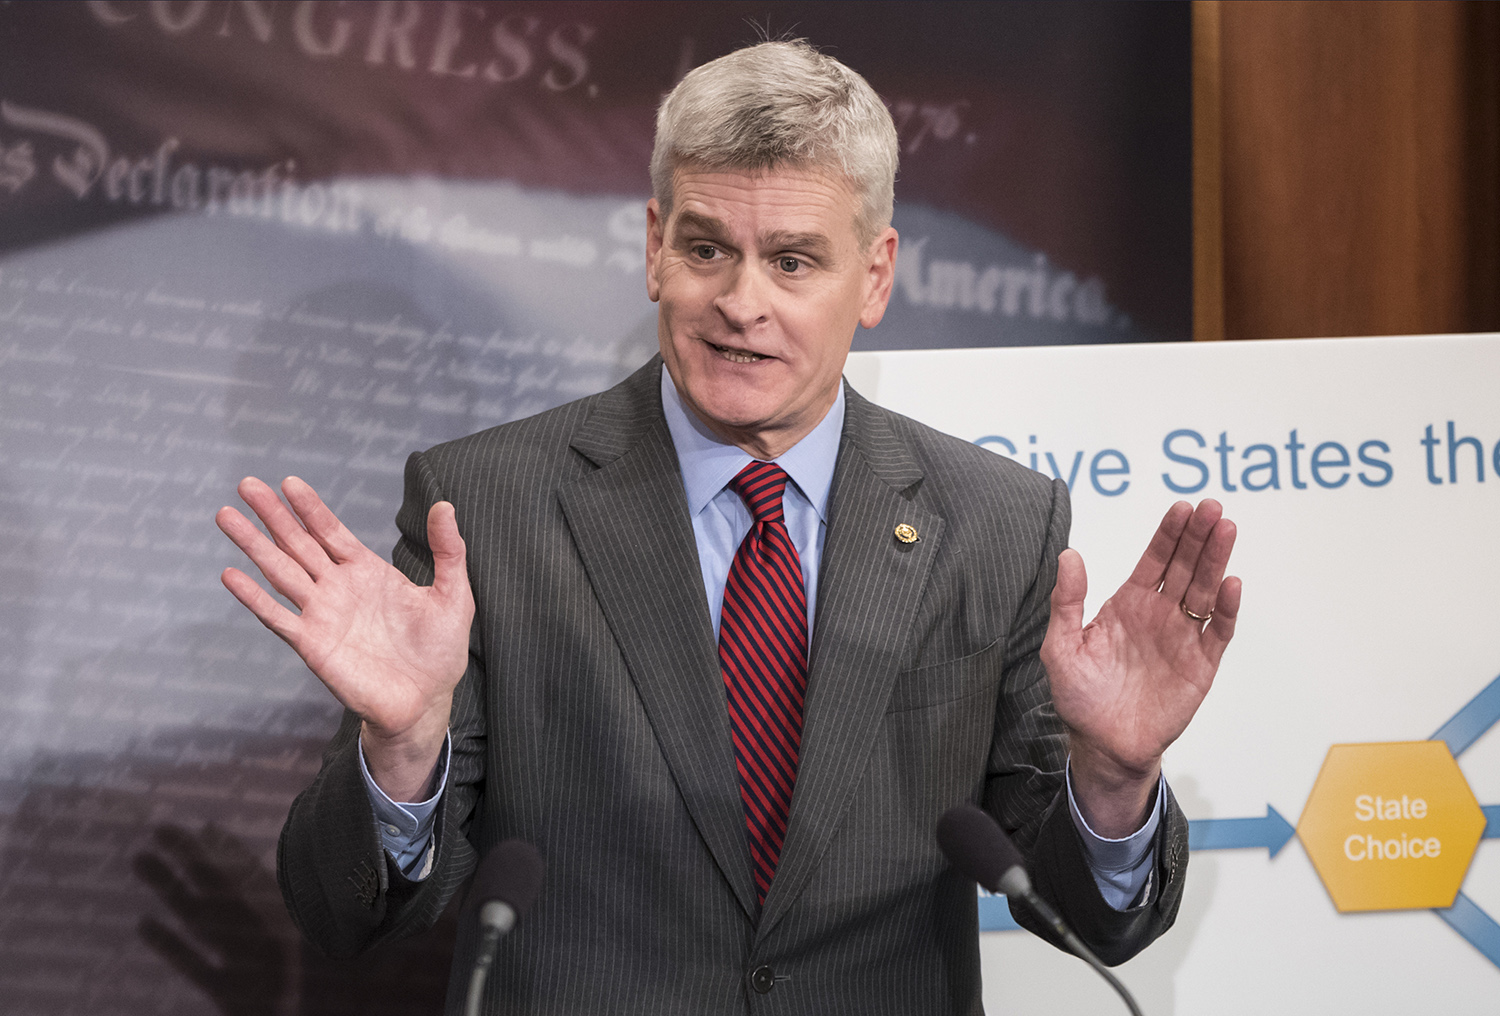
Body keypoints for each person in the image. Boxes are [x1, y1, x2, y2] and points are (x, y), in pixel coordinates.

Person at [216, 40, 1238, 1015]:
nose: (741, 303)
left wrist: (1114, 778)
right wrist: (402, 752)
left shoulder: (996, 522)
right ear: (655, 248)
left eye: (793, 261)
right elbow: (348, 913)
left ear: (875, 275)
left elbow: (1092, 916)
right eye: (707, 249)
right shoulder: (484, 507)